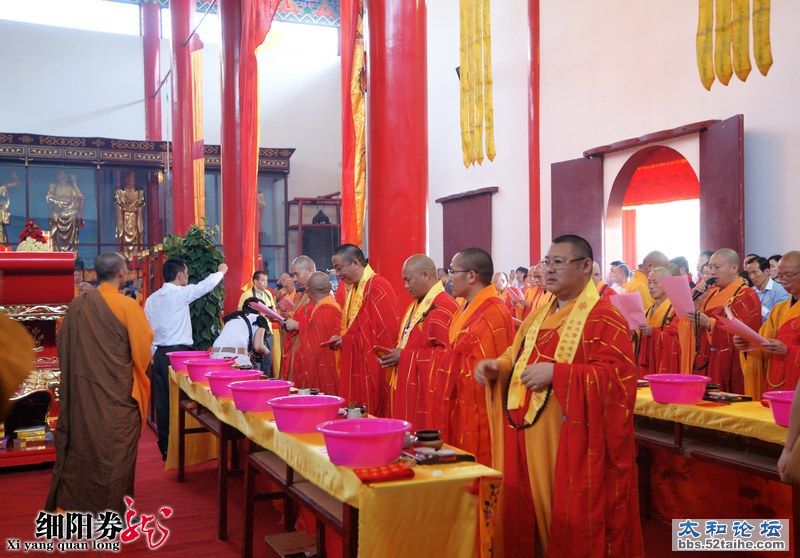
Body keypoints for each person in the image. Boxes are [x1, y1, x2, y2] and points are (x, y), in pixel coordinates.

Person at [475, 235, 642, 557]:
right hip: (525, 432)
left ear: (584, 267)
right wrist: (499, 367)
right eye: (547, 262)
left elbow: (618, 380)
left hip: (571, 442)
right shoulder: (538, 315)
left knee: (566, 518)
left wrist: (558, 374)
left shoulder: (604, 316)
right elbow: (517, 353)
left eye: (559, 263)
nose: (548, 270)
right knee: (527, 516)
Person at [46, 253, 152, 514]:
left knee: (82, 447)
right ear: (121, 274)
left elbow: (64, 346)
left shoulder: (78, 306)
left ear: (95, 274)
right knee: (115, 455)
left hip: (83, 396)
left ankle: (72, 506)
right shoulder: (128, 307)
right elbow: (142, 353)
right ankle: (108, 513)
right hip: (117, 396)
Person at [426, 247, 513, 465]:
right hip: (460, 402)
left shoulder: (494, 311)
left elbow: (489, 365)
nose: (448, 278)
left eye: (452, 271)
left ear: (471, 276)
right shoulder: (464, 306)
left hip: (480, 408)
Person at [145, 258, 227, 460]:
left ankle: (165, 447)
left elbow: (148, 330)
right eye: (187, 273)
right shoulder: (179, 294)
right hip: (179, 356)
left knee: (163, 403)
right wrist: (221, 272)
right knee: (184, 402)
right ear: (180, 275)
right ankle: (181, 449)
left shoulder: (151, 299)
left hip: (159, 355)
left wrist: (152, 354)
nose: (188, 276)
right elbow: (203, 287)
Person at [378, 254, 459, 424]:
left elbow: (448, 356)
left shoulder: (445, 306)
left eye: (409, 280)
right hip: (408, 383)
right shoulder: (415, 305)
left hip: (427, 391)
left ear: (426, 275)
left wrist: (406, 356)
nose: (406, 286)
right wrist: (395, 355)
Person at [670, 248, 760, 393]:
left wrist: (709, 324)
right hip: (704, 361)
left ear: (734, 267)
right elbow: (687, 324)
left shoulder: (746, 296)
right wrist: (697, 302)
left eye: (716, 267)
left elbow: (745, 338)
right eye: (710, 267)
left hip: (728, 366)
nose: (711, 272)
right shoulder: (709, 294)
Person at [327, 244, 399, 414]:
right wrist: (343, 339)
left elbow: (381, 337)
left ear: (355, 263)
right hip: (358, 363)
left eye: (339, 268)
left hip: (375, 368)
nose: (337, 274)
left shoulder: (378, 287)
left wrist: (347, 340)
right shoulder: (355, 288)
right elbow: (357, 328)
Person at [737, 251, 800, 398]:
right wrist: (747, 344)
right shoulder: (779, 310)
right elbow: (762, 342)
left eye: (789, 275)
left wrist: (788, 351)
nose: (784, 280)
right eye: (780, 276)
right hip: (775, 381)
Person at [294, 272, 342, 395]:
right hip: (336, 371)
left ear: (308, 293)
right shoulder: (334, 305)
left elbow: (311, 351)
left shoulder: (323, 312)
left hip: (325, 375)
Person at [238, 270, 281, 378]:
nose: (265, 283)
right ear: (255, 281)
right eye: (262, 280)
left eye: (266, 280)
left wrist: (273, 313)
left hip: (268, 332)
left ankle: (264, 381)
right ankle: (255, 381)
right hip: (254, 331)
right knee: (255, 360)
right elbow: (240, 312)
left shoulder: (268, 294)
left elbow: (273, 310)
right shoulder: (246, 295)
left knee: (267, 360)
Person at [637, 267, 678, 375]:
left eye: (655, 282)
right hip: (646, 367)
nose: (651, 286)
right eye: (649, 282)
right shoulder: (647, 311)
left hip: (664, 367)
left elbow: (678, 342)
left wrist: (653, 332)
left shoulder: (675, 310)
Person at [281, 255, 317, 380]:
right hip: (297, 347)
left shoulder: (320, 294)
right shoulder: (305, 294)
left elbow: (320, 324)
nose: (294, 279)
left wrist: (296, 325)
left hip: (308, 351)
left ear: (310, 270)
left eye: (297, 274)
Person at [211, 296, 270, 367]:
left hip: (215, 354)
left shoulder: (233, 317)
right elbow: (258, 347)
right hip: (236, 357)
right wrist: (266, 351)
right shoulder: (260, 319)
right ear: (261, 310)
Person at [745, 255, 790, 322]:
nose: (752, 277)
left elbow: (779, 319)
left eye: (755, 272)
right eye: (749, 273)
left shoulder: (780, 291)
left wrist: (757, 306)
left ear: (767, 271)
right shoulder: (750, 291)